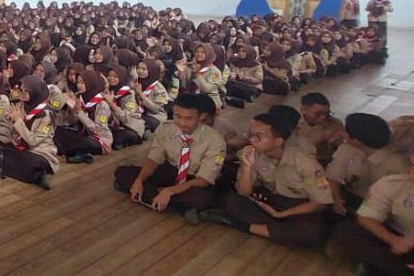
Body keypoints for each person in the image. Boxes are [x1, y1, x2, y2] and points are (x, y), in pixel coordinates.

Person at [200, 113, 333, 249]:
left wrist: (281, 214)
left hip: (297, 207)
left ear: (278, 141)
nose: (252, 140)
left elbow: (320, 203)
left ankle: (240, 225)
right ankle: (273, 229)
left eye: (258, 136)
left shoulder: (306, 163)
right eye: (250, 134)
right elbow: (243, 192)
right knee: (232, 200)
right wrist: (247, 166)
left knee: (313, 233)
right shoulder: (253, 154)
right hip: (269, 201)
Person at [113, 94, 227, 223]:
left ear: (201, 117)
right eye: (177, 116)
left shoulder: (216, 141)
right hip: (171, 171)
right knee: (122, 172)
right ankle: (180, 207)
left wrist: (170, 190)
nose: (182, 123)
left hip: (193, 180)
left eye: (189, 118)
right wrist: (139, 180)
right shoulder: (165, 128)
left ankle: (154, 195)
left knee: (202, 199)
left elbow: (204, 180)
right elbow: (154, 159)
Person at [330, 118, 414, 275]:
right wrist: (393, 240)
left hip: (398, 226)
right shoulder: (395, 182)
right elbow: (333, 177)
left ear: (359, 140)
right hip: (382, 217)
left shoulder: (396, 166)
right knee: (346, 231)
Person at [327, 113, 408, 216]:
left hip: (380, 209)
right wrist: (336, 199)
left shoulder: (397, 165)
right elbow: (333, 178)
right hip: (350, 197)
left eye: (346, 132)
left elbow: (397, 203)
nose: (342, 133)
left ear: (356, 140)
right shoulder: (346, 149)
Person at [295, 92, 345, 165]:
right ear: (303, 110)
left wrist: (333, 142)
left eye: (327, 113)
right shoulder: (293, 125)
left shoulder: (335, 124)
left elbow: (343, 149)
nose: (323, 117)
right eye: (317, 114)